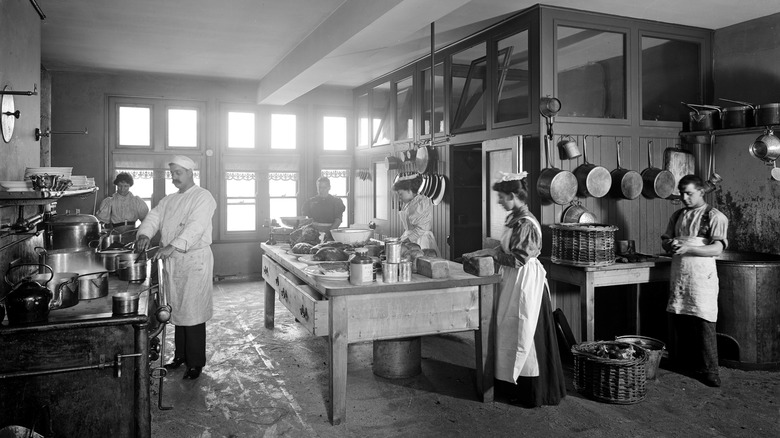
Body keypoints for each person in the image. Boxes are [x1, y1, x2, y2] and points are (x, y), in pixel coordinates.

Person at [464, 171, 565, 407]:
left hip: (525, 282)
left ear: (512, 196)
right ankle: (509, 382)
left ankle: (530, 391)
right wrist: (491, 252)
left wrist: (494, 255)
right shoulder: (514, 218)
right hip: (511, 280)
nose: (499, 201)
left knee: (524, 330)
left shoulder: (526, 223)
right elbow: (505, 250)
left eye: (501, 197)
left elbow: (519, 259)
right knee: (509, 329)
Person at [135, 156, 216, 380]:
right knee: (176, 309)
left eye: (178, 173)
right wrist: (144, 234)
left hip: (193, 261)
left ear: (191, 172)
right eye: (172, 174)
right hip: (173, 261)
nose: (174, 178)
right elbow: (154, 217)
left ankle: (196, 362)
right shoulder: (169, 199)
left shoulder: (203, 197)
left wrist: (172, 246)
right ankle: (180, 356)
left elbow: (196, 227)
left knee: (193, 312)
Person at [661, 174, 728, 387]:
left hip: (701, 275)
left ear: (701, 191)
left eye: (689, 193)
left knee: (703, 319)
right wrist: (669, 244)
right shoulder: (678, 215)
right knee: (680, 316)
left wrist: (689, 248)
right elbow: (665, 239)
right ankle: (682, 362)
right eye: (682, 193)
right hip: (680, 271)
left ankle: (710, 371)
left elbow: (717, 247)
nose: (684, 197)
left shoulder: (715, 216)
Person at [392, 174, 438, 255]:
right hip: (410, 237)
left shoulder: (421, 203)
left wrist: (408, 239)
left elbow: (421, 228)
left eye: (400, 194)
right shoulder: (408, 203)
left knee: (419, 259)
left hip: (420, 239)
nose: (399, 197)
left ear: (409, 191)